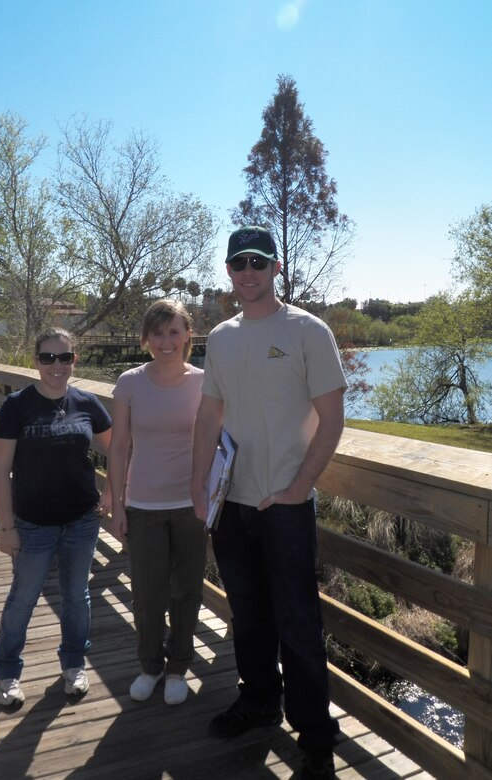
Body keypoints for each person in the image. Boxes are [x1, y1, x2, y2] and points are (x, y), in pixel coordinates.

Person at [191, 227, 347, 780]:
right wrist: (198, 487)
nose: (248, 272)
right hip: (230, 503)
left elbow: (333, 419)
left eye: (258, 261)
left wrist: (300, 487)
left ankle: (315, 737)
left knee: (298, 623)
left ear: (276, 267)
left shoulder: (308, 330)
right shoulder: (222, 336)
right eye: (238, 264)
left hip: (284, 505)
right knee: (249, 616)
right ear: (229, 272)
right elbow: (209, 416)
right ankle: (259, 702)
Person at [0, 327, 112, 707]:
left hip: (81, 519)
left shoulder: (87, 403)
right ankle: (7, 670)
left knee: (77, 596)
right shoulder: (17, 406)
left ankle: (74, 664)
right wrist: (6, 526)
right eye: (48, 358)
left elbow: (118, 451)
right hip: (32, 523)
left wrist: (112, 492)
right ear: (36, 361)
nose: (56, 366)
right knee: (23, 598)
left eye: (64, 358)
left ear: (74, 360)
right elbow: (0, 471)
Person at [109, 299, 207, 706]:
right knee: (148, 594)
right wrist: (117, 507)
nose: (165, 341)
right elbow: (117, 449)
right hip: (143, 504)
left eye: (173, 331)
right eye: (157, 333)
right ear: (146, 338)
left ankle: (178, 668)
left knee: (187, 591)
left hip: (192, 505)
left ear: (188, 334)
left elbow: (220, 439)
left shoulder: (206, 381)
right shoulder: (130, 382)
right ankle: (150, 666)